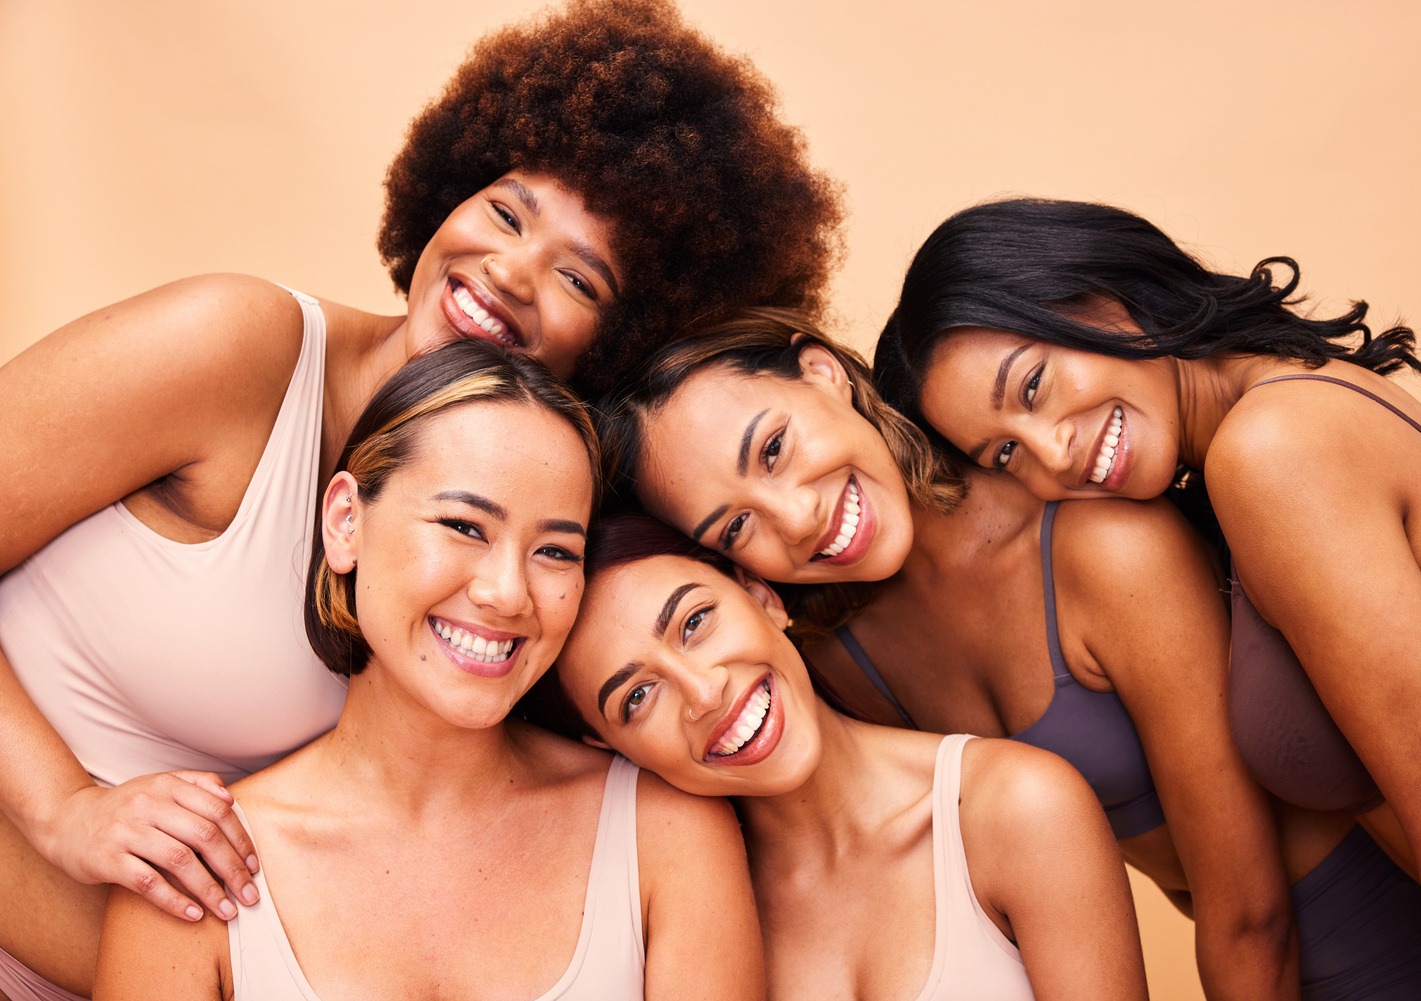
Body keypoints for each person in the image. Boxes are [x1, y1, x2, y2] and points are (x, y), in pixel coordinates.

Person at [0, 1, 840, 995]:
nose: (511, 270)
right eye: (505, 209)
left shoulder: (527, 557)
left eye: (579, 276)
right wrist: (62, 807)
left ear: (614, 347)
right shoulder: (236, 351)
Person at [593, 309, 1421, 999]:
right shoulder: (834, 658)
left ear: (823, 373)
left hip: (1379, 939)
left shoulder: (1103, 549)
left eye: (776, 448)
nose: (797, 516)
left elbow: (1250, 911)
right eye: (737, 523)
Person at [876, 196, 1421, 994]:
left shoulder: (1274, 449)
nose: (1051, 453)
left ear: (1104, 294)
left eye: (1032, 386)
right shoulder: (1268, 418)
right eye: (1004, 453)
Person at [92, 339, 762, 1000]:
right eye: (465, 526)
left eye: (555, 551)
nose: (507, 592)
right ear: (346, 521)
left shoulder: (664, 835)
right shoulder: (193, 868)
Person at [530, 511, 1147, 1000]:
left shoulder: (1018, 808)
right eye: (637, 696)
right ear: (608, 746)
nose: (704, 691)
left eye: (694, 623)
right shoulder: (684, 923)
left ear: (763, 597)